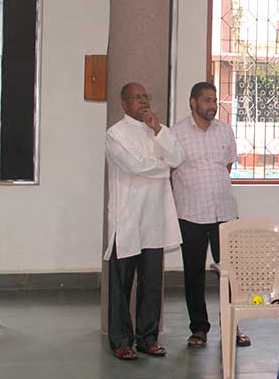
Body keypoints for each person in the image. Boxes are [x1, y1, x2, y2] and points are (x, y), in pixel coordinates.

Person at [104, 82, 184, 360]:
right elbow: (134, 165)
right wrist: (163, 168)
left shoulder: (158, 131)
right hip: (127, 219)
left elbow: (177, 157)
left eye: (145, 97)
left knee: (151, 285)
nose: (143, 101)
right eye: (136, 98)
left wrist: (158, 129)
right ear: (124, 103)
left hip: (154, 219)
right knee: (121, 285)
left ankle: (147, 339)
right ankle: (120, 341)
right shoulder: (115, 134)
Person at [171, 81, 250, 349]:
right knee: (194, 274)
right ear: (193, 102)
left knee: (230, 273)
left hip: (224, 213)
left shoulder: (224, 131)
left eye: (215, 100)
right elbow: (170, 170)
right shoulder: (177, 133)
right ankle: (199, 329)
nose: (212, 105)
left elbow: (226, 166)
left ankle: (232, 326)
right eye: (206, 100)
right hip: (190, 214)